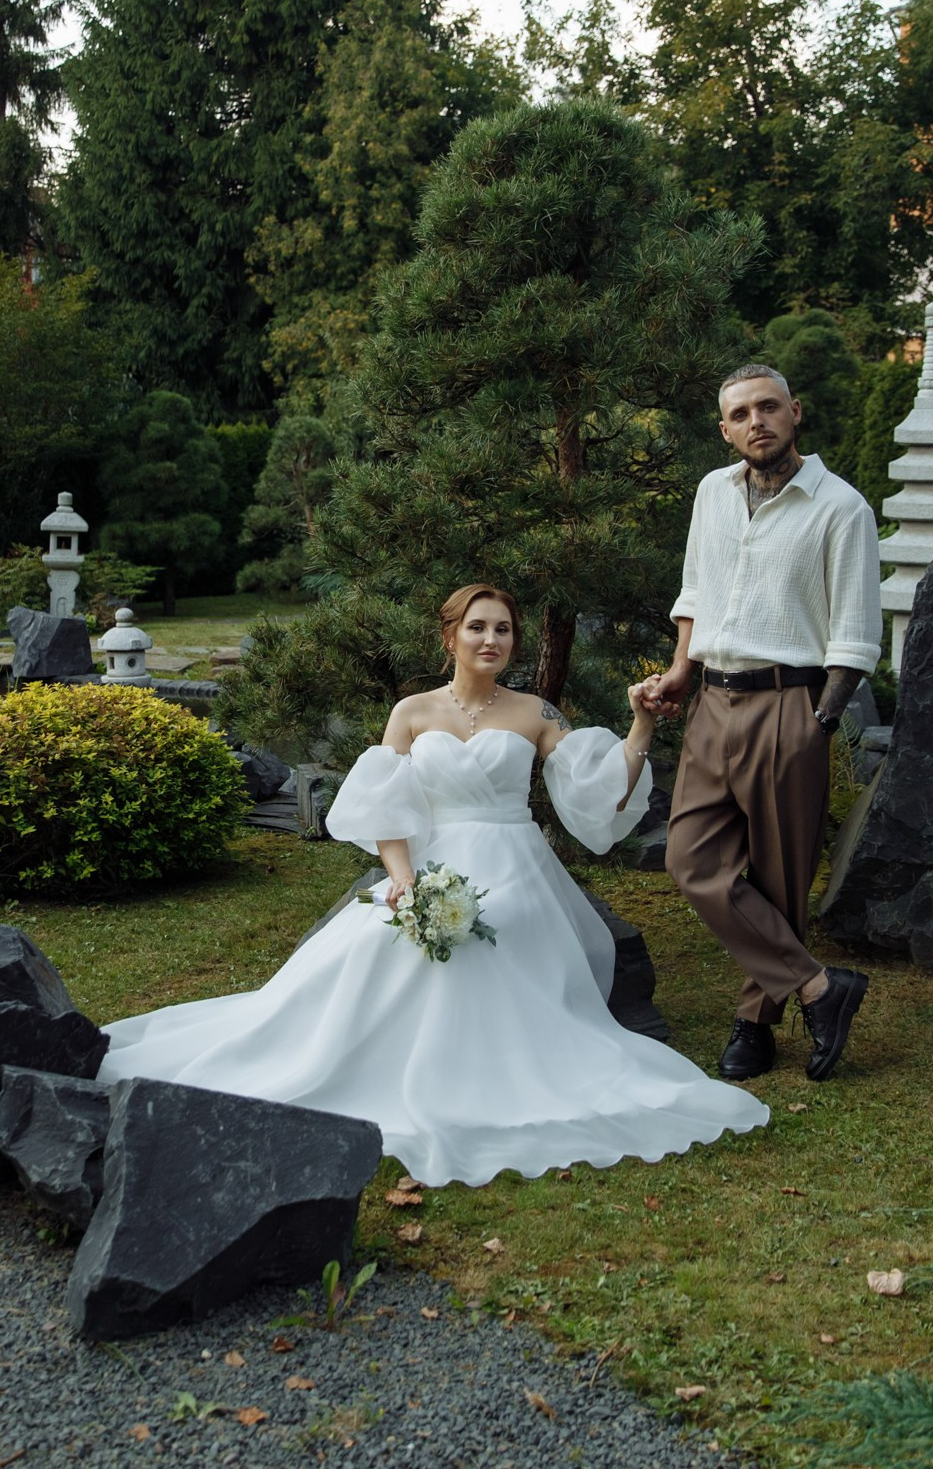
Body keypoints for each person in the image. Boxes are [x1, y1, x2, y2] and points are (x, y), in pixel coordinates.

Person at [95, 583, 768, 1187]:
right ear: (450, 636)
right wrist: (405, 883)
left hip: (515, 863)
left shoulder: (538, 713)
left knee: (494, 941)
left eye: (503, 629)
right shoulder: (412, 712)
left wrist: (642, 723)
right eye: (478, 627)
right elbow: (389, 807)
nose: (491, 640)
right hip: (431, 861)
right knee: (367, 950)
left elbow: (599, 795)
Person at [637, 364, 882, 1084]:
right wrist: (683, 667)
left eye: (768, 407)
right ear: (725, 428)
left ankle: (754, 1023)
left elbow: (856, 634)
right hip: (714, 699)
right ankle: (816, 987)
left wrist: (819, 724)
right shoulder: (713, 492)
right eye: (740, 412)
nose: (756, 421)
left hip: (791, 702)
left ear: (795, 412)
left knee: (779, 876)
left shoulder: (842, 508)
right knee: (690, 859)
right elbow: (695, 588)